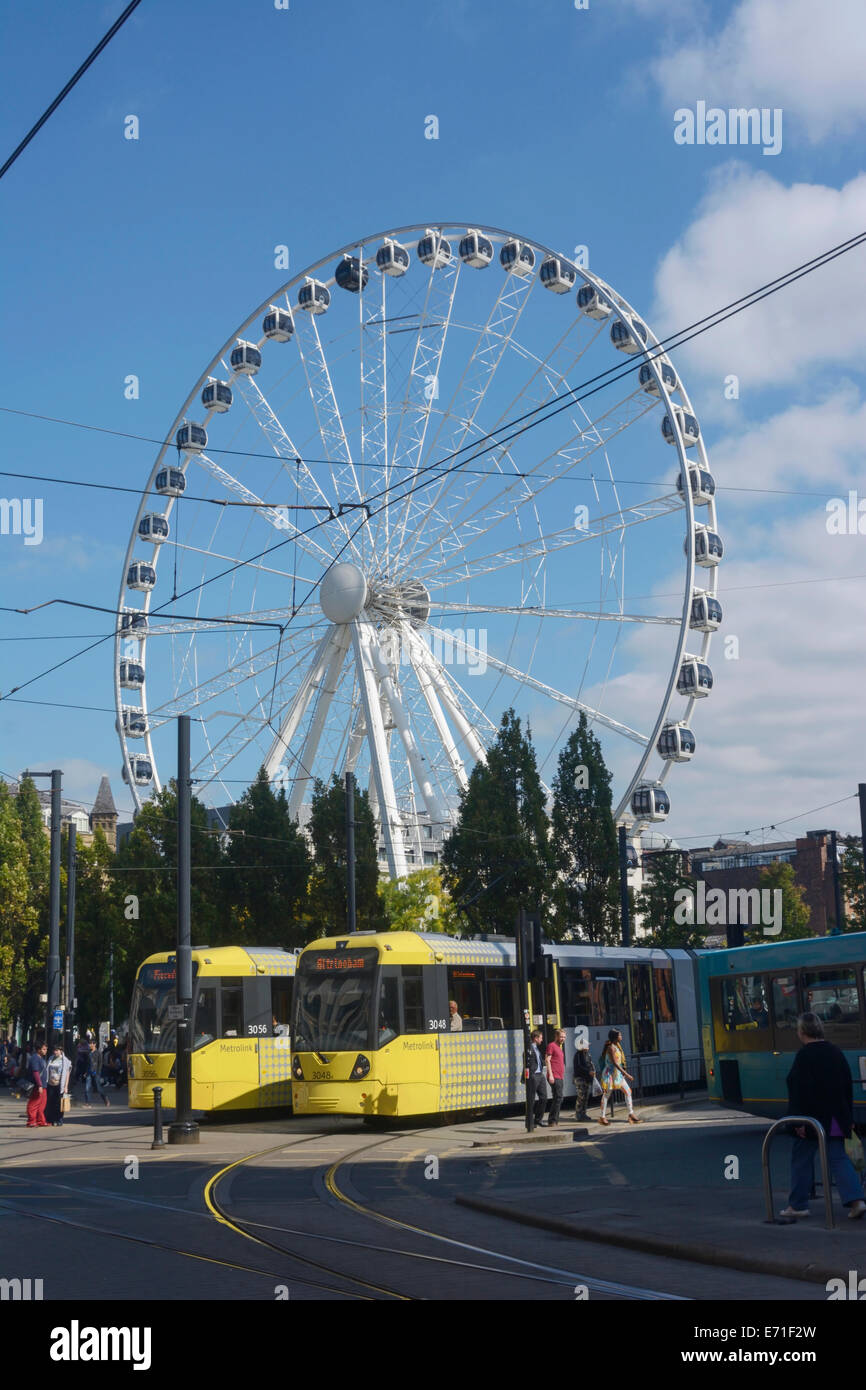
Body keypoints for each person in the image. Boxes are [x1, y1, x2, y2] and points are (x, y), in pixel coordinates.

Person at [780, 1011, 866, 1221]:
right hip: (837, 1118)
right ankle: (857, 1200)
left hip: (811, 1120)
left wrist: (797, 1121)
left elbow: (799, 1090)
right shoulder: (835, 1052)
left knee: (801, 1159)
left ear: (801, 1032)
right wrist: (848, 1117)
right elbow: (846, 1087)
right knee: (838, 1158)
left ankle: (798, 1204)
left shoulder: (804, 1056)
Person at [598, 1028, 641, 1126]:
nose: (621, 1036)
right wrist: (626, 1074)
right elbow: (615, 1063)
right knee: (606, 1095)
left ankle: (631, 1114)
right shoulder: (611, 1048)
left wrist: (623, 1073)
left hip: (617, 1075)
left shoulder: (616, 1046)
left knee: (628, 1091)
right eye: (620, 1035)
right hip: (610, 1074)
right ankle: (602, 1117)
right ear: (615, 1037)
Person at [44, 1044, 72, 1126]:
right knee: (50, 1102)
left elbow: (67, 1074)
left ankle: (59, 1119)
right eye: (54, 1050)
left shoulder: (65, 1061)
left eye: (57, 1050)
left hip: (59, 1085)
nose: (55, 1052)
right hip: (50, 1084)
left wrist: (66, 1086)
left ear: (61, 1051)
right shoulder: (50, 1058)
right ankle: (51, 1119)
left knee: (59, 1103)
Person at [545, 1028, 566, 1126]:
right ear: (556, 1036)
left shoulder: (559, 1047)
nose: (563, 1039)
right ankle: (552, 1120)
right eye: (561, 1036)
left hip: (560, 1076)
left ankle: (554, 1120)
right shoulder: (551, 1046)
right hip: (554, 1075)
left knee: (559, 1098)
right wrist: (551, 1075)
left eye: (564, 1037)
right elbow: (547, 1060)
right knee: (558, 1097)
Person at [25, 1043, 49, 1127]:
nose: (46, 1051)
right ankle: (31, 1121)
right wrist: (39, 1085)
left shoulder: (41, 1058)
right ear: (38, 1050)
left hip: (44, 1085)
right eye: (44, 1049)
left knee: (42, 1104)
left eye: (46, 1049)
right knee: (34, 1103)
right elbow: (35, 1072)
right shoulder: (35, 1058)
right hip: (37, 1086)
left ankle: (40, 1121)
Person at [528, 1029, 548, 1127]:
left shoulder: (536, 1048)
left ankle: (538, 1119)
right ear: (536, 1038)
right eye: (541, 1038)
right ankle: (530, 1122)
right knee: (531, 1099)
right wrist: (530, 1075)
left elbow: (539, 1061)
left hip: (540, 1075)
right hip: (533, 1076)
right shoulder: (529, 1049)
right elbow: (527, 1063)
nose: (542, 1040)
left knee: (544, 1098)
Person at [573, 1041, 596, 1122]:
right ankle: (579, 1114)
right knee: (581, 1096)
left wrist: (592, 1071)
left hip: (586, 1078)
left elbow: (590, 1064)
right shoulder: (578, 1055)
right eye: (586, 1045)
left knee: (585, 1096)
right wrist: (588, 1071)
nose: (588, 1046)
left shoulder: (587, 1055)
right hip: (580, 1078)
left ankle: (584, 1113)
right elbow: (579, 1067)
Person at [84, 1040, 111, 1108]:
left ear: (94, 1044)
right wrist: (86, 1072)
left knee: (99, 1088)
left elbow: (100, 1063)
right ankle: (88, 1103)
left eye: (91, 1044)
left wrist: (98, 1072)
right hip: (89, 1072)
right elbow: (87, 1063)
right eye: (89, 1044)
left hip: (96, 1072)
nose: (89, 1045)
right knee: (87, 1088)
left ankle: (105, 1099)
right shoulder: (89, 1053)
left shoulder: (98, 1052)